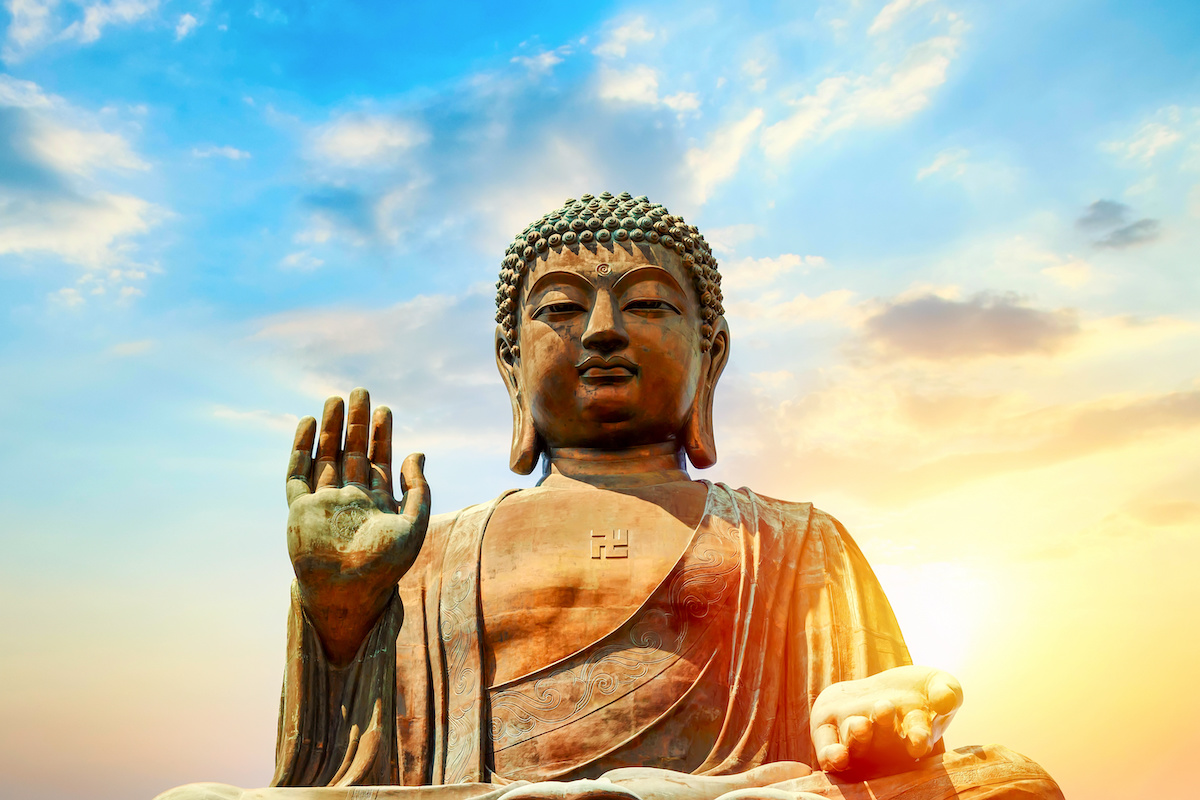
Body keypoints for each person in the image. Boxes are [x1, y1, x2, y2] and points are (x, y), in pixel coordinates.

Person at [156, 193, 1061, 800]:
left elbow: (870, 740)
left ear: (712, 354)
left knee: (1013, 783)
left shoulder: (795, 543)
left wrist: (879, 733)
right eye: (557, 310)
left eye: (648, 305)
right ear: (511, 364)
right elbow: (340, 777)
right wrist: (341, 614)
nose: (599, 332)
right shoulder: (431, 553)